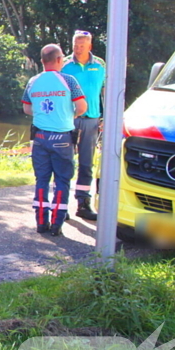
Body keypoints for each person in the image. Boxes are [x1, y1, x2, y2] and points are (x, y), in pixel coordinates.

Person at [22, 44, 87, 236]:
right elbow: (82, 107)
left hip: (40, 137)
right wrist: (69, 115)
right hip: (62, 138)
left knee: (41, 180)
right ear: (59, 60)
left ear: (42, 61)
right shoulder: (68, 80)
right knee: (62, 181)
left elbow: (27, 109)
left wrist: (43, 114)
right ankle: (57, 225)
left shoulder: (33, 81)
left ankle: (41, 223)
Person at [61, 30, 105, 221]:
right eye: (75, 45)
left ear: (90, 46)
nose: (78, 49)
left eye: (82, 46)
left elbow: (106, 91)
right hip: (68, 120)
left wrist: (105, 117)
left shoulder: (100, 65)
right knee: (64, 162)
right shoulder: (64, 65)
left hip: (92, 120)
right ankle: (61, 205)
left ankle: (83, 203)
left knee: (87, 164)